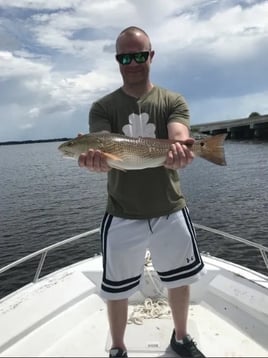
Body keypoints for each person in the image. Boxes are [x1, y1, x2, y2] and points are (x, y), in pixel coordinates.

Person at [78, 26, 206, 358]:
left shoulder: (172, 100)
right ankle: (118, 348)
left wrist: (181, 149)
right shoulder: (102, 107)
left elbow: (178, 132)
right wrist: (98, 163)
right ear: (117, 60)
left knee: (179, 281)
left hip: (169, 207)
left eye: (139, 55)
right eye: (125, 57)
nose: (132, 63)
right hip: (122, 212)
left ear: (151, 55)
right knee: (116, 288)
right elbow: (102, 146)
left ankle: (180, 338)